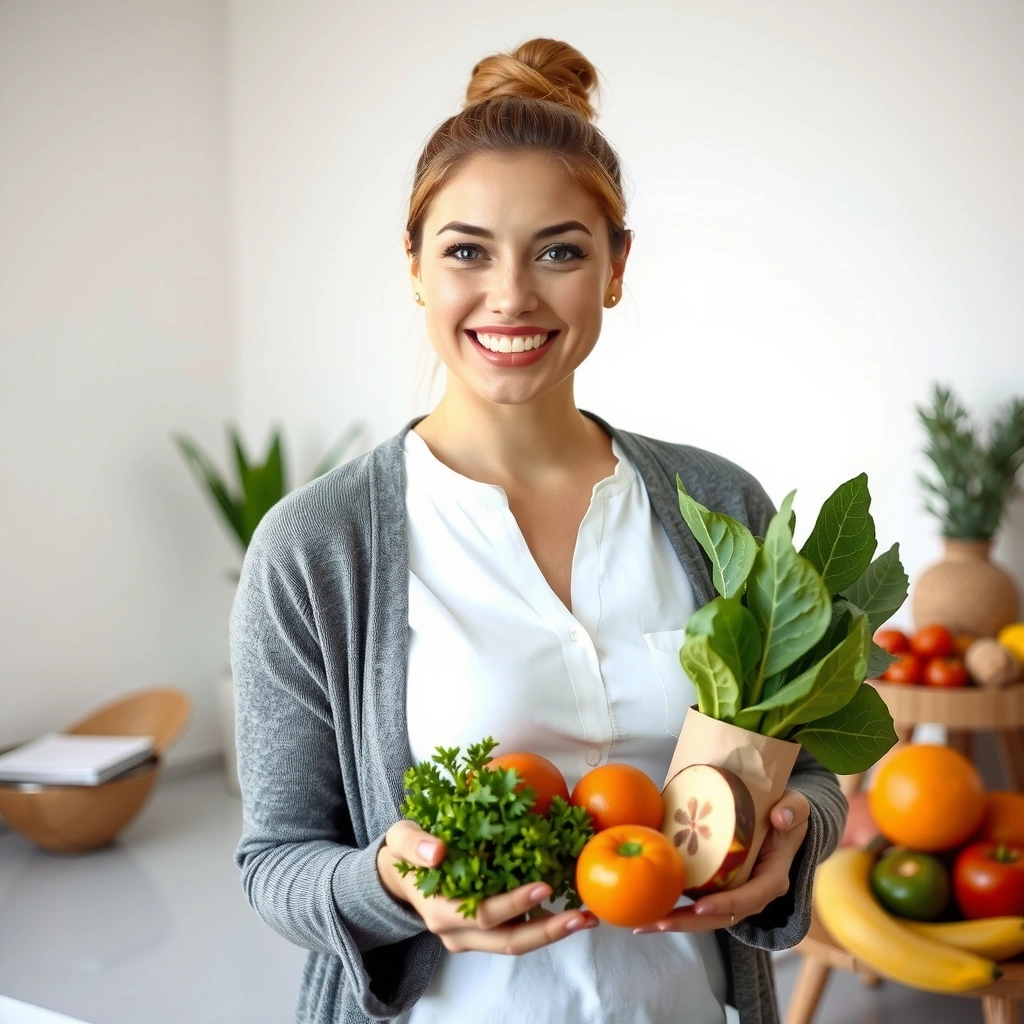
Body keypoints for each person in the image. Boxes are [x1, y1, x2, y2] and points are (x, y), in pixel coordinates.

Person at [230, 37, 846, 1024]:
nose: (510, 295)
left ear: (614, 266)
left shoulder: (720, 506)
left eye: (558, 249)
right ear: (415, 268)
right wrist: (392, 885)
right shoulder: (317, 547)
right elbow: (276, 862)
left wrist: (792, 832)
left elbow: (804, 772)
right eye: (466, 250)